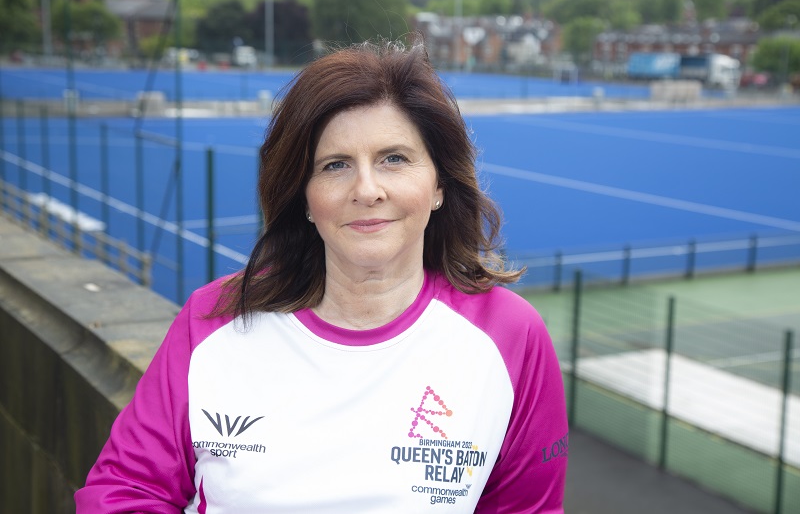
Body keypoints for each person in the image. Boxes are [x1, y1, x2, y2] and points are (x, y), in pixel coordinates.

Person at [75, 36, 568, 513]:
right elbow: (121, 493)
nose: (367, 189)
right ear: (305, 199)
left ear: (439, 183)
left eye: (394, 159)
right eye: (335, 165)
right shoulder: (213, 322)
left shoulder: (511, 337)